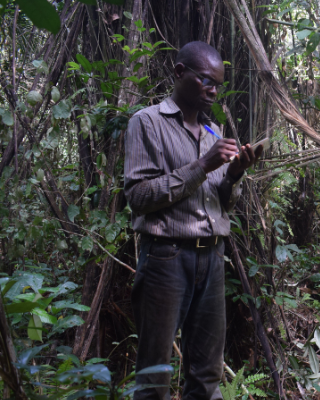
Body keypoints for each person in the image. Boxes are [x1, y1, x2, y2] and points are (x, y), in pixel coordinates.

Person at [124, 41, 263, 400]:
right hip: (166, 258)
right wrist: (202, 166)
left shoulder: (214, 132)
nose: (213, 91)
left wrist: (233, 175)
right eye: (205, 81)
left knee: (206, 375)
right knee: (154, 375)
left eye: (217, 84)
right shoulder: (147, 123)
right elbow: (138, 198)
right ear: (179, 73)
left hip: (212, 259)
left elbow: (221, 204)